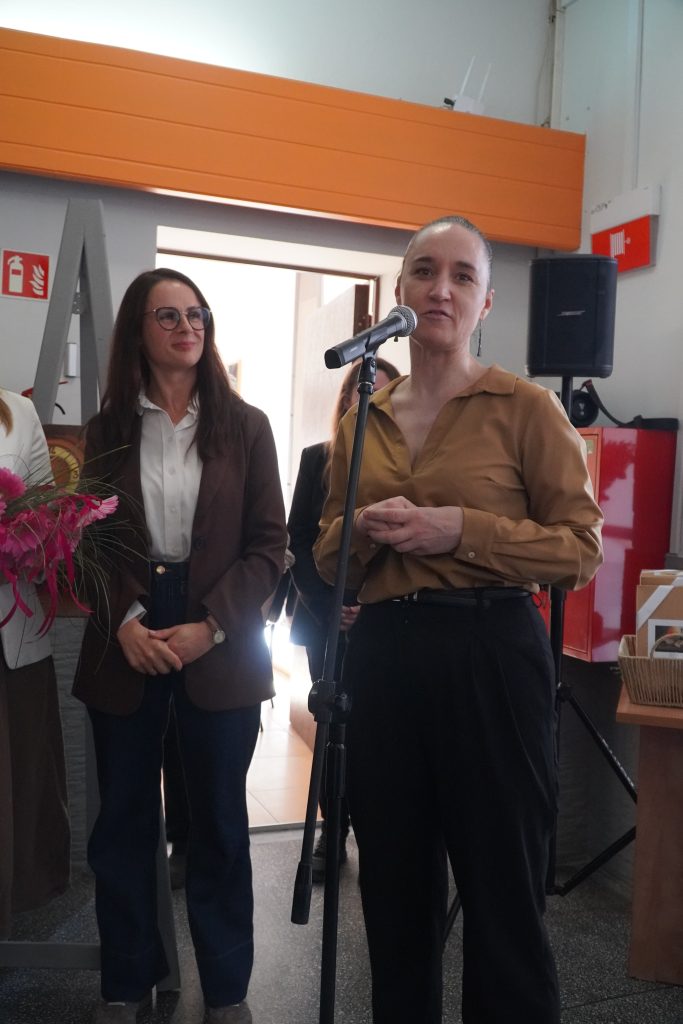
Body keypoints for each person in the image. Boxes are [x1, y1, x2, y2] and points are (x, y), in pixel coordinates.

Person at [313, 216, 604, 1024]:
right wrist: (359, 531)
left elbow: (579, 550)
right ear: (399, 290)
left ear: (486, 303)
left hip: (489, 652)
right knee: (393, 893)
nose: (439, 289)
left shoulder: (527, 409)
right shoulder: (360, 420)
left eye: (461, 276)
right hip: (383, 658)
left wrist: (460, 531)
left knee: (502, 892)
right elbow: (326, 557)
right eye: (423, 271)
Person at [73, 268, 287, 1024]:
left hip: (219, 631)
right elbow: (88, 539)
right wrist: (126, 620)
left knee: (220, 824)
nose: (186, 327)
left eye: (196, 314)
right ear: (138, 329)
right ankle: (126, 982)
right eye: (167, 315)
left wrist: (211, 625)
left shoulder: (246, 426)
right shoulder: (107, 429)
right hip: (127, 629)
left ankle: (226, 990)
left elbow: (269, 547)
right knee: (125, 823)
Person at [287, 357, 400, 881]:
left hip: (388, 617)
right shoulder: (318, 458)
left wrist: (370, 604)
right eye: (363, 392)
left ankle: (382, 831)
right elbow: (298, 542)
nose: (371, 401)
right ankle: (332, 833)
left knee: (380, 730)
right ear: (347, 400)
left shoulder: (409, 468)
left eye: (385, 394)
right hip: (326, 617)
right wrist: (335, 608)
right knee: (333, 728)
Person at [0, 388, 71, 940]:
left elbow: (50, 520)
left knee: (19, 786)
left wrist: (28, 541)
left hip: (13, 639)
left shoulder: (17, 414)